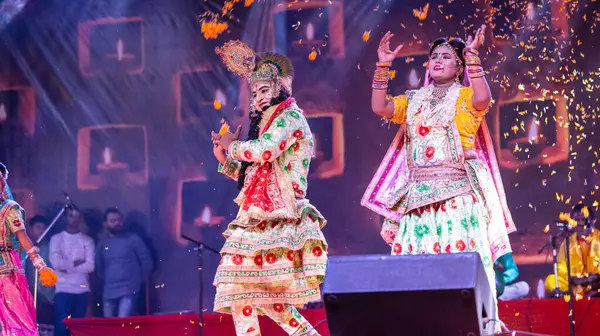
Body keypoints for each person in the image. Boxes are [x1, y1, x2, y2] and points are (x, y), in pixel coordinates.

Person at [362, 27, 516, 309]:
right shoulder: (413, 100)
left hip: (458, 198)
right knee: (414, 276)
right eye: (434, 56)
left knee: (459, 276)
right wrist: (382, 66)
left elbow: (483, 99)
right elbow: (380, 107)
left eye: (446, 57)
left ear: (459, 67)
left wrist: (473, 58)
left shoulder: (466, 97)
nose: (437, 61)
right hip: (417, 200)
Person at [211, 40, 327, 336]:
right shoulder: (270, 123)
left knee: (258, 298)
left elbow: (264, 151)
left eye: (265, 90)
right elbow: (255, 175)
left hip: (278, 218)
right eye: (255, 92)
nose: (259, 98)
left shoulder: (289, 117)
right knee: (247, 296)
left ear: (281, 88)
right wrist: (225, 157)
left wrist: (233, 146)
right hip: (257, 218)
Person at [0, 163, 58, 335]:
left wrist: (40, 265)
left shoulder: (9, 209)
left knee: (13, 320)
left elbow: (22, 238)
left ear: (3, 182)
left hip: (5, 271)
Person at [95, 208, 152, 318]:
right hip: (109, 291)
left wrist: (138, 281)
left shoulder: (133, 240)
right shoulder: (102, 244)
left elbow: (146, 262)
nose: (117, 223)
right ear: (105, 223)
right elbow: (99, 266)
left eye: (119, 220)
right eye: (113, 221)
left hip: (128, 289)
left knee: (123, 323)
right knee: (109, 327)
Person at [50, 205, 95, 336]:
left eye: (76, 216)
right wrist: (77, 262)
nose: (74, 219)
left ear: (81, 218)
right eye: (70, 215)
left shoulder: (87, 240)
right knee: (61, 326)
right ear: (65, 217)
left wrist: (67, 265)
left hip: (82, 289)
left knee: (79, 328)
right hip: (62, 289)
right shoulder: (56, 239)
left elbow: (90, 266)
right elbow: (56, 263)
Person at [544, 203, 600, 297]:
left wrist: (594, 277)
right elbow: (561, 268)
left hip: (596, 284)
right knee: (551, 280)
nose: (581, 224)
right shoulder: (567, 242)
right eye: (577, 220)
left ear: (593, 221)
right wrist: (572, 278)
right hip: (574, 286)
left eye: (584, 220)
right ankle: (568, 296)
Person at [24, 215, 55, 325]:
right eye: (38, 227)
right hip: (29, 290)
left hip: (46, 293)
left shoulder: (50, 247)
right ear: (31, 229)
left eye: (43, 228)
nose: (41, 231)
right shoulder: (26, 247)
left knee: (45, 322)